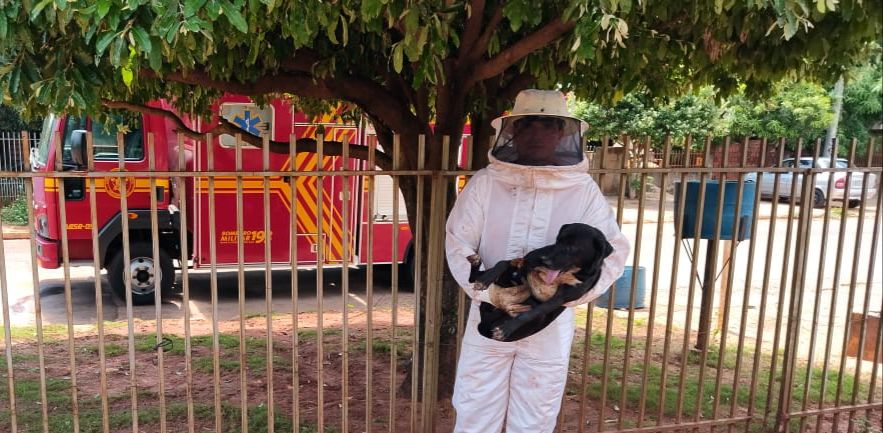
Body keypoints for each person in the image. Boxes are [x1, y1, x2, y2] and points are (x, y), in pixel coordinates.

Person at [445, 89, 630, 432]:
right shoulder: (486, 184)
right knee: (474, 409)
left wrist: (568, 295)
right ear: (513, 130)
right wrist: (489, 293)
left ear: (562, 133)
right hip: (489, 314)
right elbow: (458, 242)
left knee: (536, 416)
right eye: (528, 124)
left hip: (551, 324)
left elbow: (611, 252)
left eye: (548, 125)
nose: (537, 133)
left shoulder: (582, 190)